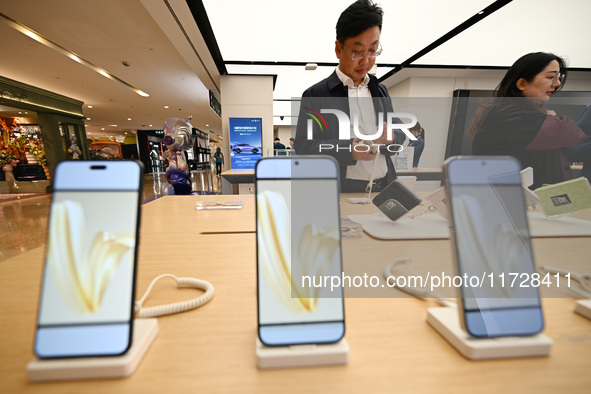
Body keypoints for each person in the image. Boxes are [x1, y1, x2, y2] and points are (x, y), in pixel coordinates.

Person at [294, 0, 405, 192]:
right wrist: (348, 150)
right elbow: (304, 146)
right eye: (357, 52)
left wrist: (391, 137)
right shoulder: (316, 94)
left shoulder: (380, 91)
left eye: (372, 50)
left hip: (384, 189)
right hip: (341, 192)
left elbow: (400, 135)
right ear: (338, 49)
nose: (366, 61)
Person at [468, 52, 585, 189]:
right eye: (550, 77)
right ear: (522, 83)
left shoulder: (511, 113)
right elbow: (571, 136)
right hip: (511, 200)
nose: (557, 83)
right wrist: (553, 119)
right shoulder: (508, 115)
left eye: (559, 78)